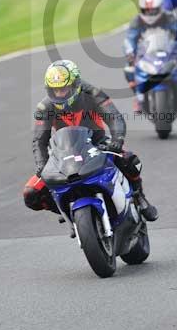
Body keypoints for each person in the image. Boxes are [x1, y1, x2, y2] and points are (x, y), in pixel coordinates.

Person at [23, 60, 158, 224]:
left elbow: (114, 118)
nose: (59, 94)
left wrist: (117, 140)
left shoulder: (93, 94)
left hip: (97, 144)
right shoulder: (44, 107)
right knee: (31, 193)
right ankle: (65, 210)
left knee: (130, 161)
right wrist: (41, 164)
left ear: (75, 84)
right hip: (63, 152)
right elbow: (39, 140)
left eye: (63, 89)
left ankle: (140, 197)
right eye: (55, 90)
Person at [123, 0, 177, 110]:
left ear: (160, 8)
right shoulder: (137, 21)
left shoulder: (170, 18)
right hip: (145, 54)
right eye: (147, 10)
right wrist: (130, 52)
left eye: (153, 10)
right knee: (128, 68)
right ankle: (138, 96)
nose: (150, 14)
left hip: (169, 52)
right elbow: (130, 39)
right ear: (141, 9)